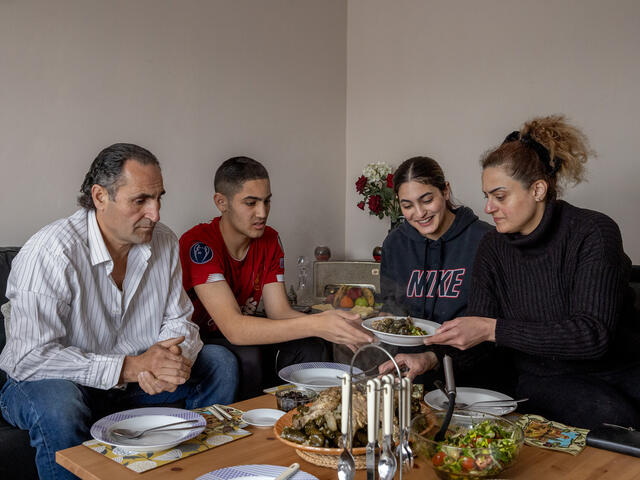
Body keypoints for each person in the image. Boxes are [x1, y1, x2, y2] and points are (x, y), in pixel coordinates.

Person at [0, 144, 239, 480]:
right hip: (51, 383)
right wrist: (130, 367)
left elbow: (179, 320)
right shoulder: (52, 252)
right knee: (59, 404)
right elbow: (30, 357)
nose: (155, 213)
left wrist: (169, 360)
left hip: (135, 383)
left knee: (220, 364)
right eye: (140, 200)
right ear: (100, 197)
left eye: (159, 198)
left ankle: (195, 473)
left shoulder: (165, 242)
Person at [426, 115, 640, 429]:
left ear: (538, 190)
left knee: (615, 419)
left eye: (499, 196)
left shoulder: (593, 232)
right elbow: (481, 338)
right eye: (487, 197)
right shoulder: (492, 247)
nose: (488, 208)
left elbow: (591, 336)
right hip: (542, 382)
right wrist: (430, 358)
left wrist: (492, 329)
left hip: (615, 375)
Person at [180, 156, 373, 399]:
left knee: (312, 344)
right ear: (221, 202)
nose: (262, 213)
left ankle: (302, 420)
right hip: (204, 341)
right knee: (250, 355)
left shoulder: (269, 239)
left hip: (243, 333)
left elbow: (279, 311)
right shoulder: (199, 243)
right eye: (251, 203)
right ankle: (252, 430)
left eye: (266, 201)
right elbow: (234, 329)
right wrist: (316, 324)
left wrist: (330, 321)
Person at [377, 156, 494, 384]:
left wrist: (435, 357)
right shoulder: (394, 244)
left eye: (427, 200)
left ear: (445, 191)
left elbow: (496, 327)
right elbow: (391, 308)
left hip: (474, 379)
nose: (420, 213)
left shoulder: (485, 240)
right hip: (410, 377)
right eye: (407, 205)